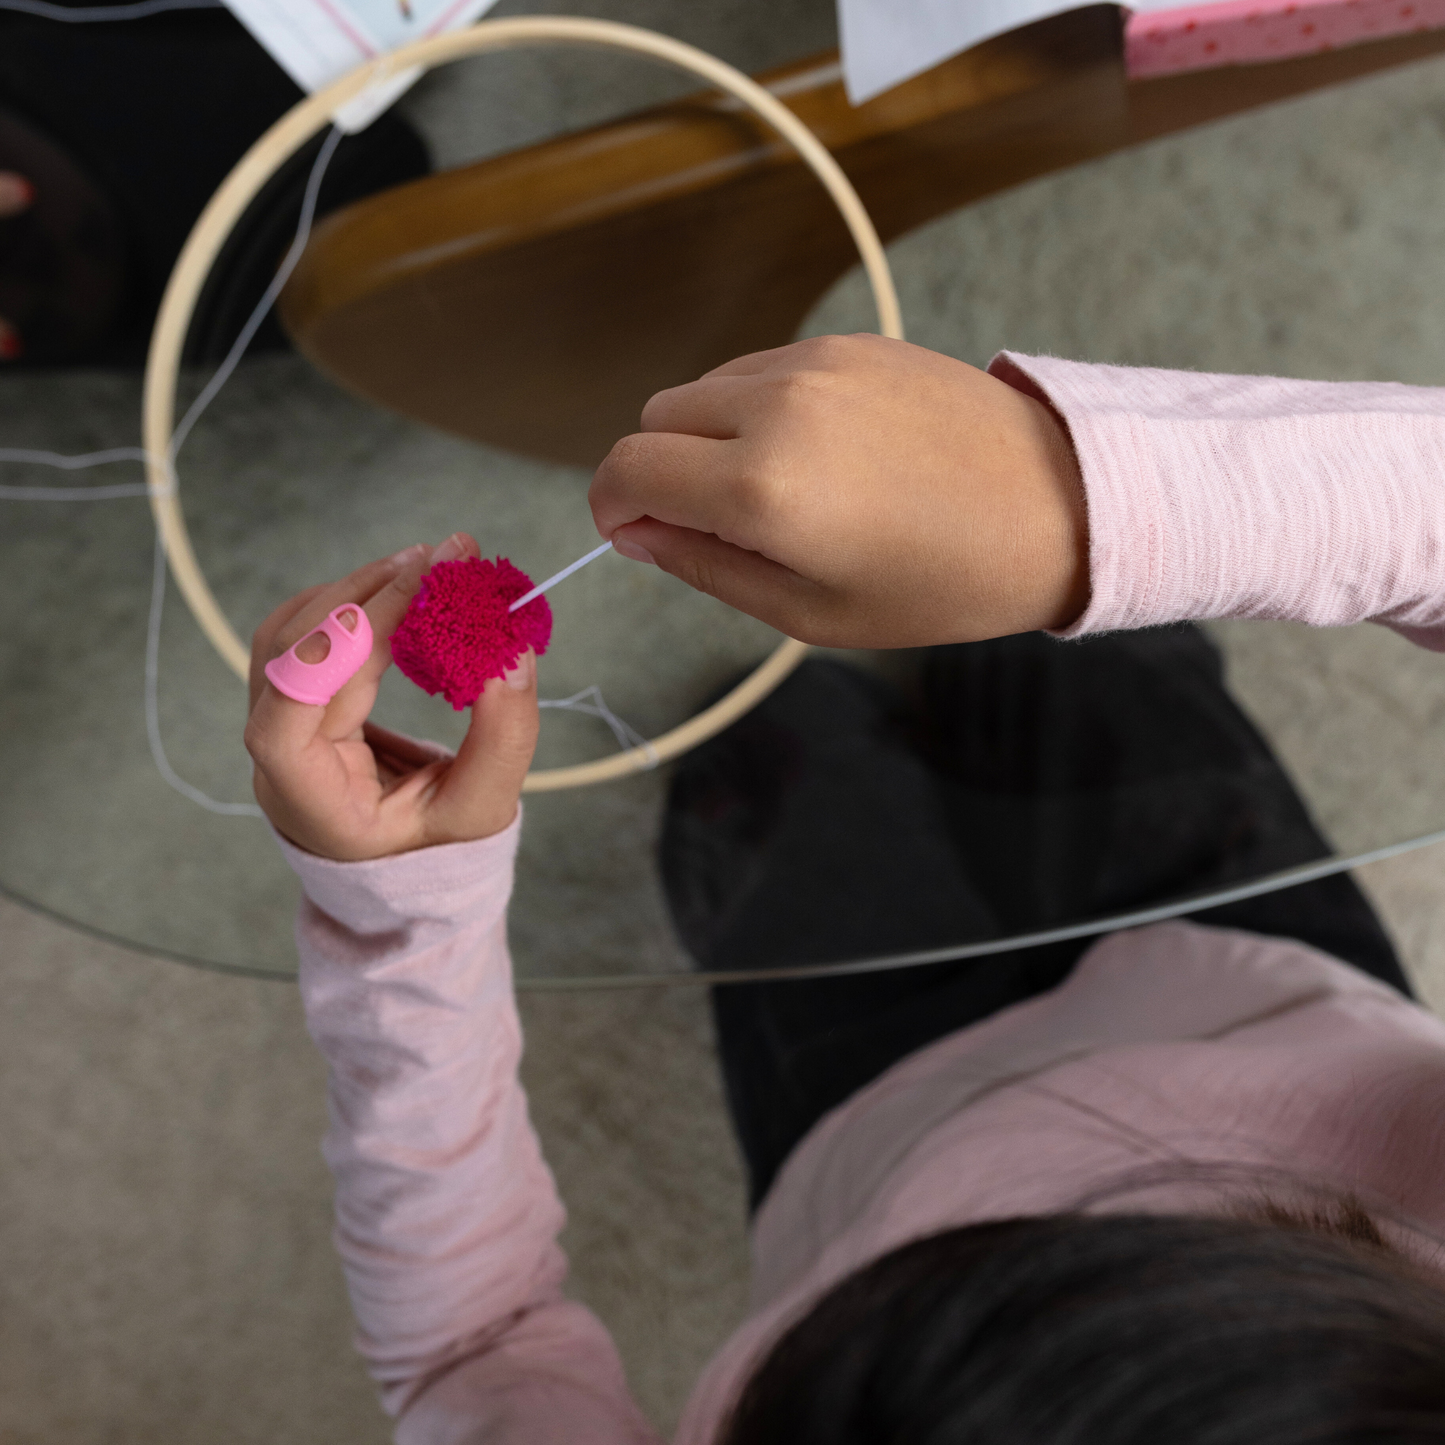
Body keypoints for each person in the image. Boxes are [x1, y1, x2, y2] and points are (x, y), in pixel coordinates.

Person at [244, 335, 1445, 1443]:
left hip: (866, 1097)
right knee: (1091, 646)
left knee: (767, 744)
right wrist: (1094, 503)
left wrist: (403, 914)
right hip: (1244, 951)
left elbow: (473, 1345)